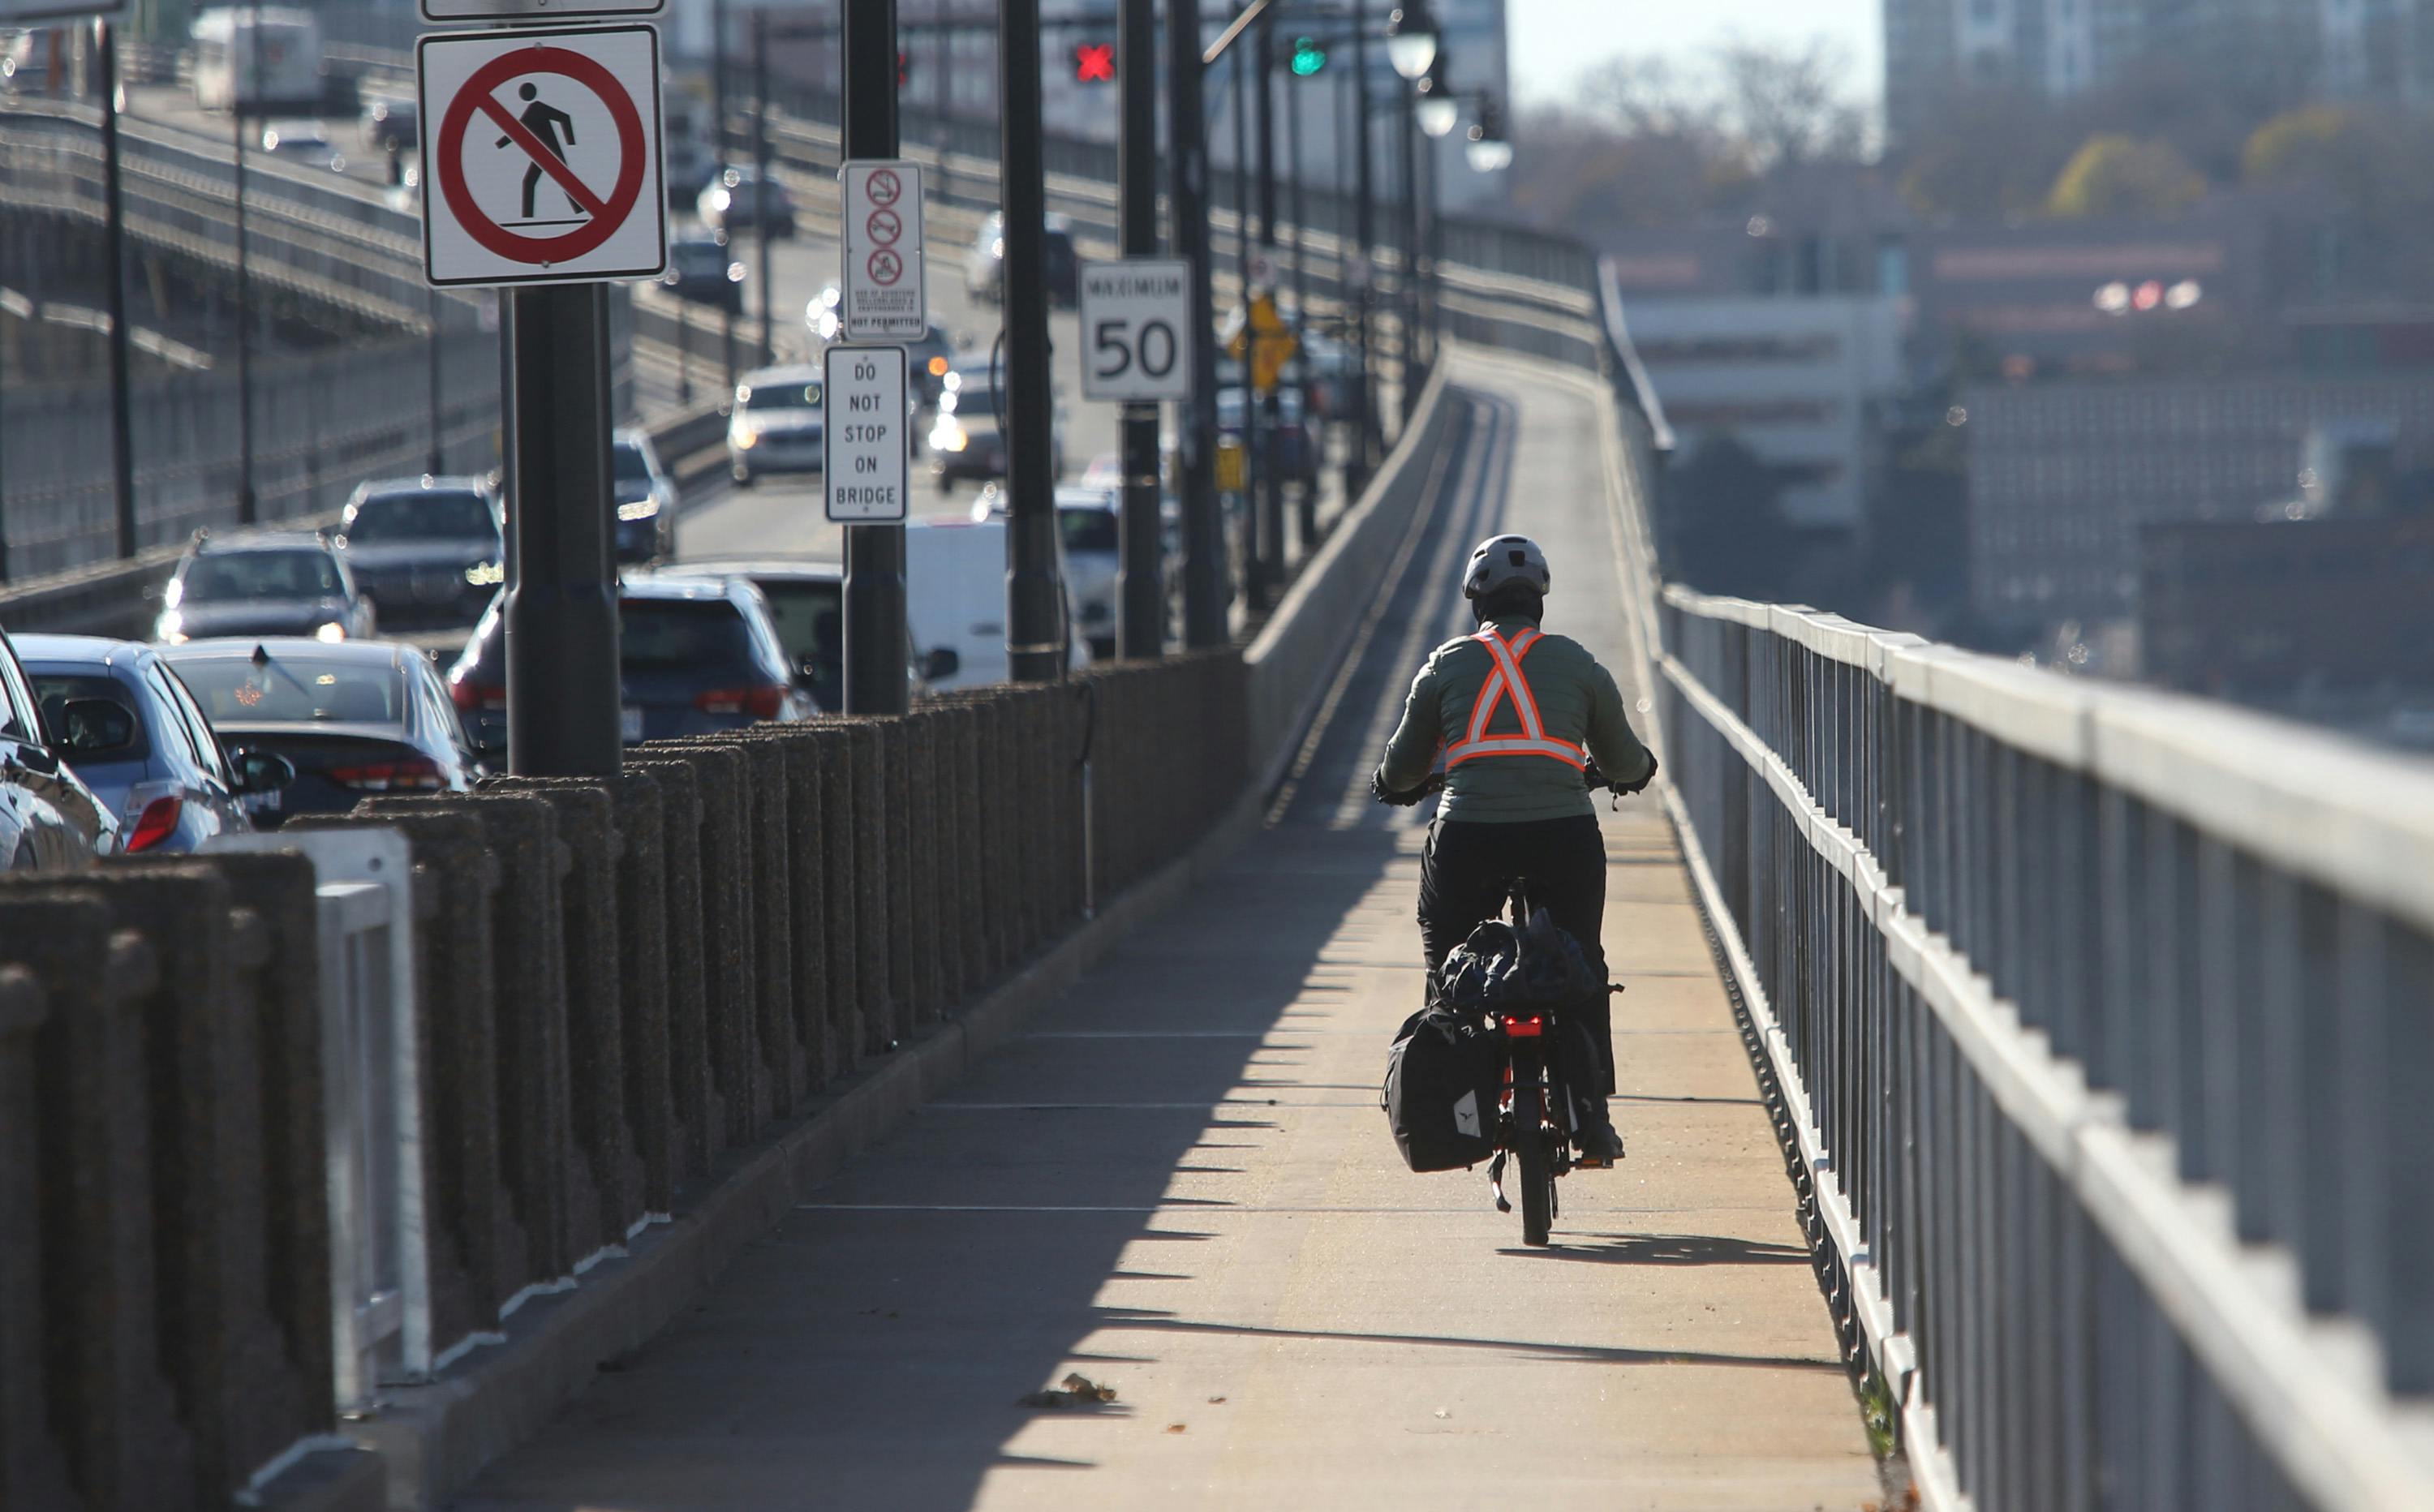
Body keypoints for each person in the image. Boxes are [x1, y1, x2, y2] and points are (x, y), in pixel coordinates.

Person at [1370, 533, 1658, 1165]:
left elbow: (1401, 767)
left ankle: (1452, 1108)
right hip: (1563, 835)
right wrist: (1629, 773)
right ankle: (1593, 1119)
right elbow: (1625, 759)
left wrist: (1396, 786)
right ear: (1540, 604)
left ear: (1478, 603)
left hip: (1469, 835)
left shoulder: (1444, 665)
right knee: (1581, 960)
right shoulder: (1579, 665)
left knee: (1449, 963)